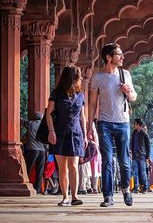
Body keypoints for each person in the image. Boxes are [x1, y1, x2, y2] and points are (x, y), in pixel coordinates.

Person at [87, 43, 137, 207]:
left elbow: (134, 97)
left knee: (124, 160)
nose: (122, 57)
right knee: (107, 160)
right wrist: (89, 126)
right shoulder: (98, 78)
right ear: (109, 57)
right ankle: (108, 196)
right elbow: (93, 103)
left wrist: (128, 91)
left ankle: (125, 189)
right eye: (119, 54)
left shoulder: (125, 74)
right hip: (104, 123)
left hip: (123, 123)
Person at [46, 66, 87, 206]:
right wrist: (51, 131)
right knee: (62, 167)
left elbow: (82, 117)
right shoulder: (57, 93)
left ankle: (75, 196)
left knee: (74, 166)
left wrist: (86, 135)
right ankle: (65, 197)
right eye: (78, 76)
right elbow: (49, 113)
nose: (80, 79)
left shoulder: (81, 94)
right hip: (59, 132)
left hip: (76, 132)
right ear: (71, 78)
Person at [20, 112, 46, 194]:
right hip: (42, 151)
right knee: (40, 171)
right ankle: (37, 189)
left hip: (32, 149)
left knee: (27, 168)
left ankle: (24, 184)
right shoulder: (44, 126)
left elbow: (22, 122)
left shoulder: (31, 124)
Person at [130, 118, 150, 194]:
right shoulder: (133, 133)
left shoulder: (144, 134)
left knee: (143, 172)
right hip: (134, 155)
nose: (134, 125)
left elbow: (148, 146)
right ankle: (135, 188)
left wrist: (147, 156)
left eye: (135, 124)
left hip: (142, 156)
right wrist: (131, 152)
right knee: (135, 172)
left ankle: (145, 187)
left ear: (138, 125)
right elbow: (131, 143)